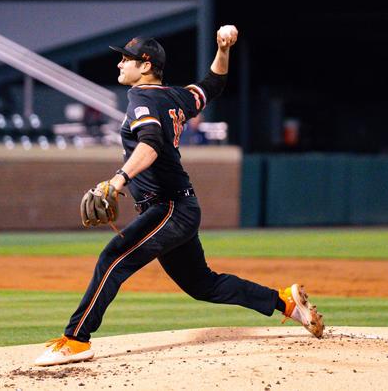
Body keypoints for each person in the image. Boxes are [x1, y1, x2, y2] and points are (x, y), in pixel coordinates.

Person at [34, 26, 324, 367]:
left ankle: (76, 339)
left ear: (145, 65)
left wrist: (118, 180)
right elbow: (213, 84)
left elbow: (151, 144)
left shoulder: (142, 99)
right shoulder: (175, 97)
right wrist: (223, 48)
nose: (119, 66)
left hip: (169, 207)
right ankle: (286, 303)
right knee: (204, 285)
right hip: (178, 207)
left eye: (124, 60)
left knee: (113, 259)